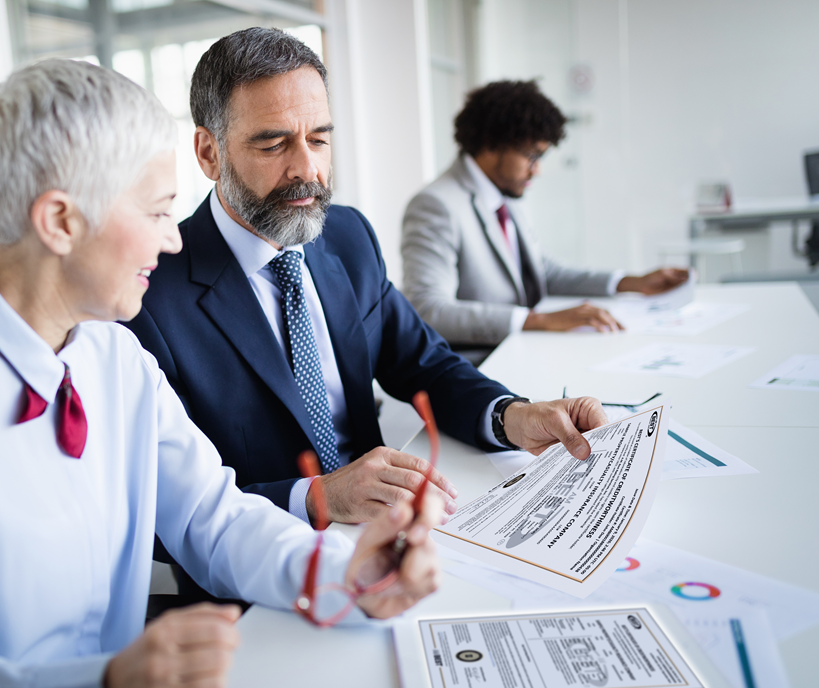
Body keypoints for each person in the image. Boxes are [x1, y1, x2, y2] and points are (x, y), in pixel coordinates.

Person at [0, 59, 444, 688]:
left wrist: (346, 574)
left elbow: (214, 520)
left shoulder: (115, 357)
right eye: (158, 211)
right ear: (60, 221)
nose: (173, 238)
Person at [124, 28, 607, 582]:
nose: (307, 169)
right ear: (209, 153)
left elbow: (425, 364)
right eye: (273, 144)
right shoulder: (147, 295)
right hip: (261, 585)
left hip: (393, 543)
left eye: (319, 139)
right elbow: (156, 513)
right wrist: (318, 497)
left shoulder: (347, 236)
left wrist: (511, 416)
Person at [401, 79, 688, 350]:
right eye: (532, 156)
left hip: (523, 349)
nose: (537, 170)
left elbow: (540, 272)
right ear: (490, 144)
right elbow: (428, 310)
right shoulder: (436, 205)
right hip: (479, 364)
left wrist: (630, 283)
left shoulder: (504, 192)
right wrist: (540, 320)